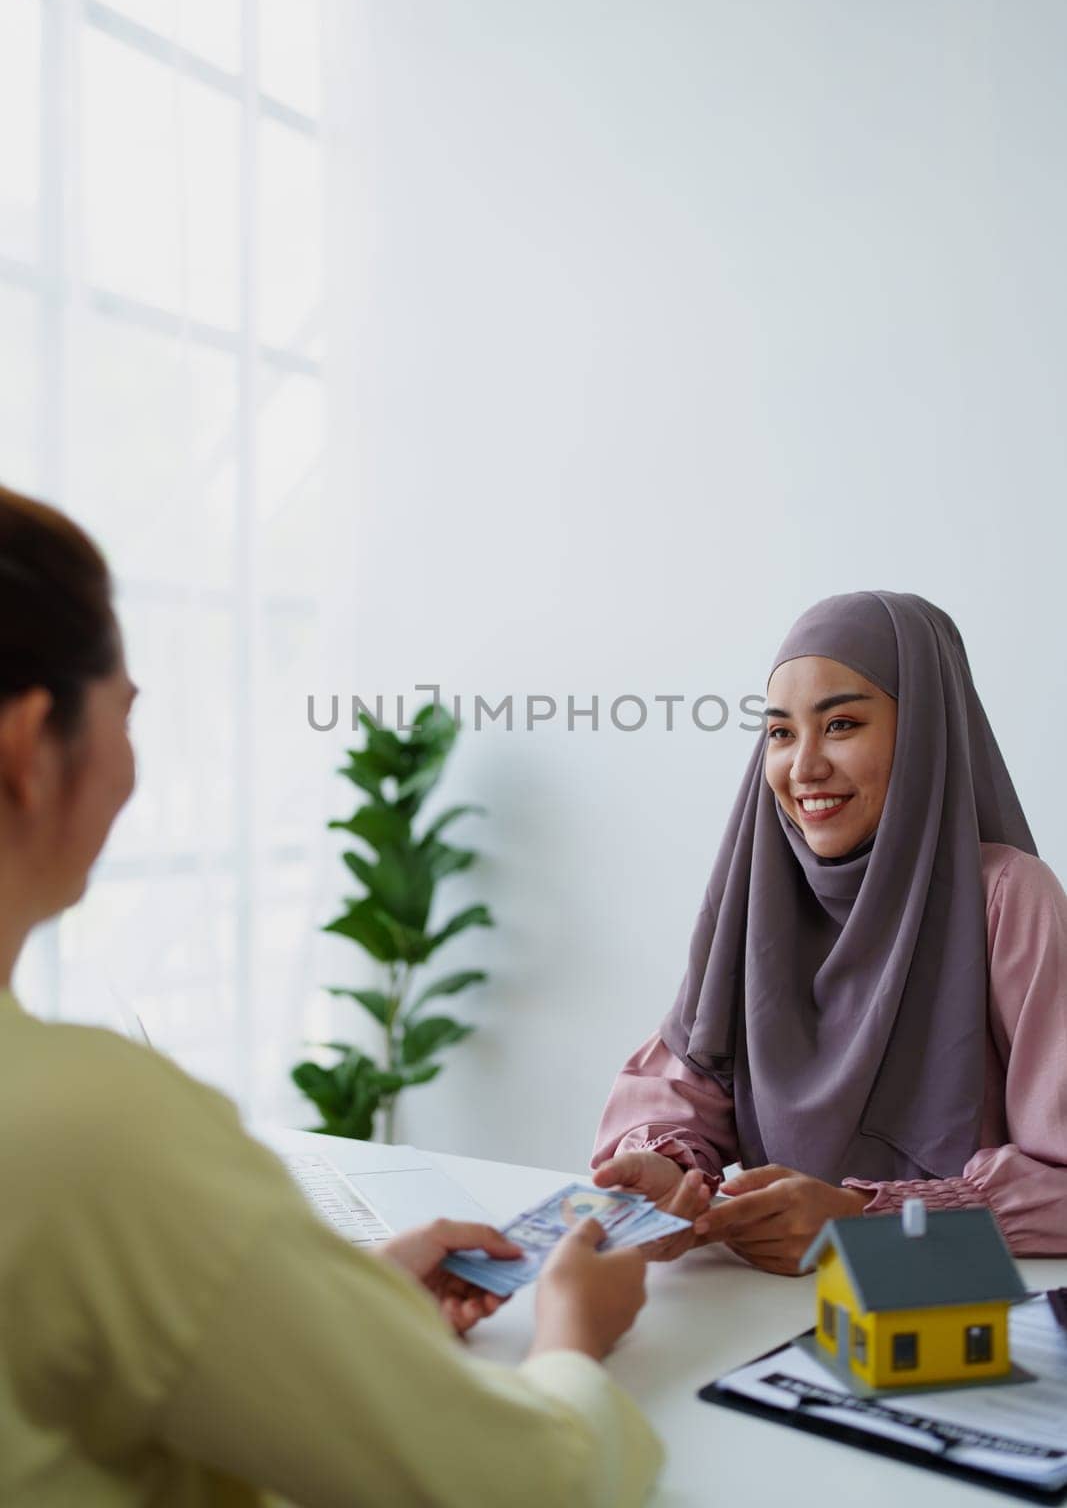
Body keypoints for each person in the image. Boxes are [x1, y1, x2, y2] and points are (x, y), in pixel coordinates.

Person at [0, 485, 662, 1507]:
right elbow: (524, 1485)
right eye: (127, 712)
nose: (134, 767)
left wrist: (306, 1308)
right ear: (30, 742)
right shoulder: (94, 1126)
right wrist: (572, 1335)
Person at [592, 591, 1067, 1275]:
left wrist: (864, 1220)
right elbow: (687, 1086)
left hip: (956, 1310)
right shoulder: (761, 894)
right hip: (759, 1310)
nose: (803, 766)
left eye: (840, 724)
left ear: (926, 731)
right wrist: (666, 1173)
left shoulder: (1004, 898)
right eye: (780, 733)